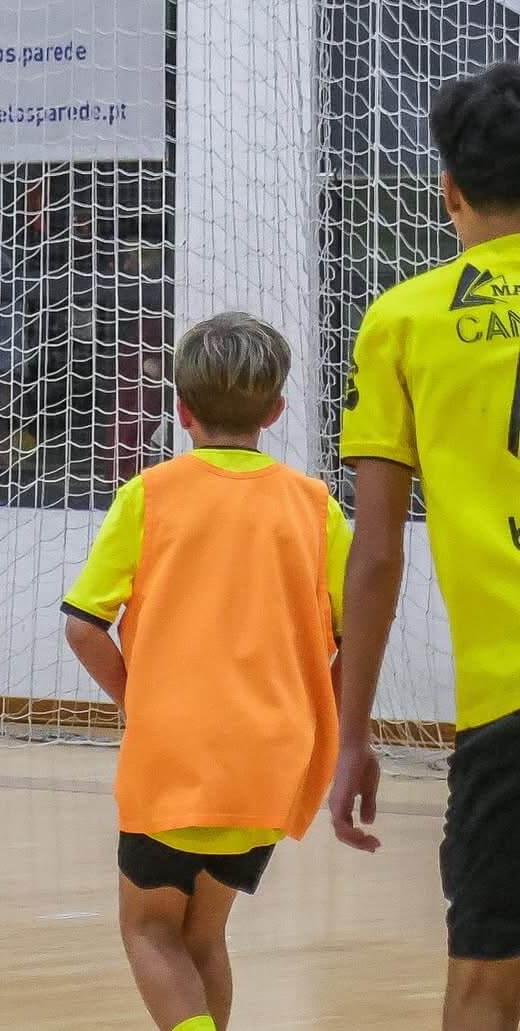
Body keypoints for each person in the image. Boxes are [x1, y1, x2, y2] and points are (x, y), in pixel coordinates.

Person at [63, 313, 349, 1031]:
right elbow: (358, 639)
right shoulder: (316, 507)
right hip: (272, 762)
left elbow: (83, 625)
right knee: (204, 935)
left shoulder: (150, 493)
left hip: (175, 754)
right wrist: (323, 717)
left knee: (148, 929)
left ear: (182, 410)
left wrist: (135, 699)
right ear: (276, 411)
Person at [330, 62, 520, 1028]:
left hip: (506, 710)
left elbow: (375, 555)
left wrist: (352, 731)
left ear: (448, 189)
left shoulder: (402, 320)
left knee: (485, 982)